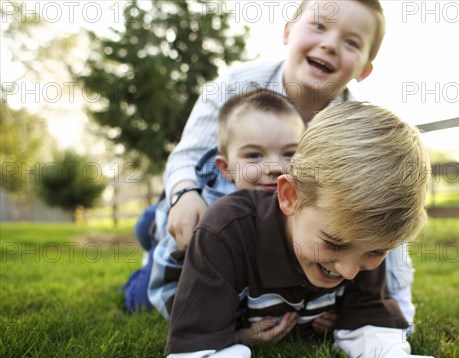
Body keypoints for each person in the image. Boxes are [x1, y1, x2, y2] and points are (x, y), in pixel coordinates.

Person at [126, 0, 417, 325]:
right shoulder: (238, 83)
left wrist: (399, 300)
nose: (330, 44)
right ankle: (154, 229)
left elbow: (384, 211)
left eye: (351, 42)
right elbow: (189, 155)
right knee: (149, 292)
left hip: (275, 223)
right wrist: (182, 195)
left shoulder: (357, 128)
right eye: (319, 26)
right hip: (214, 200)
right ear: (288, 32)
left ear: (364, 69)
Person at [165, 102, 459, 358]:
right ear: (289, 196)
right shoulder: (224, 231)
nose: (350, 271)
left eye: (377, 252)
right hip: (185, 280)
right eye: (334, 244)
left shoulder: (363, 236)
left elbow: (368, 326)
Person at [147, 88, 306, 318]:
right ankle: (147, 229)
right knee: (138, 294)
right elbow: (168, 284)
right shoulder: (210, 220)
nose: (275, 167)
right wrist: (230, 326)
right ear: (225, 168)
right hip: (169, 224)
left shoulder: (303, 207)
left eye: (290, 153)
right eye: (253, 155)